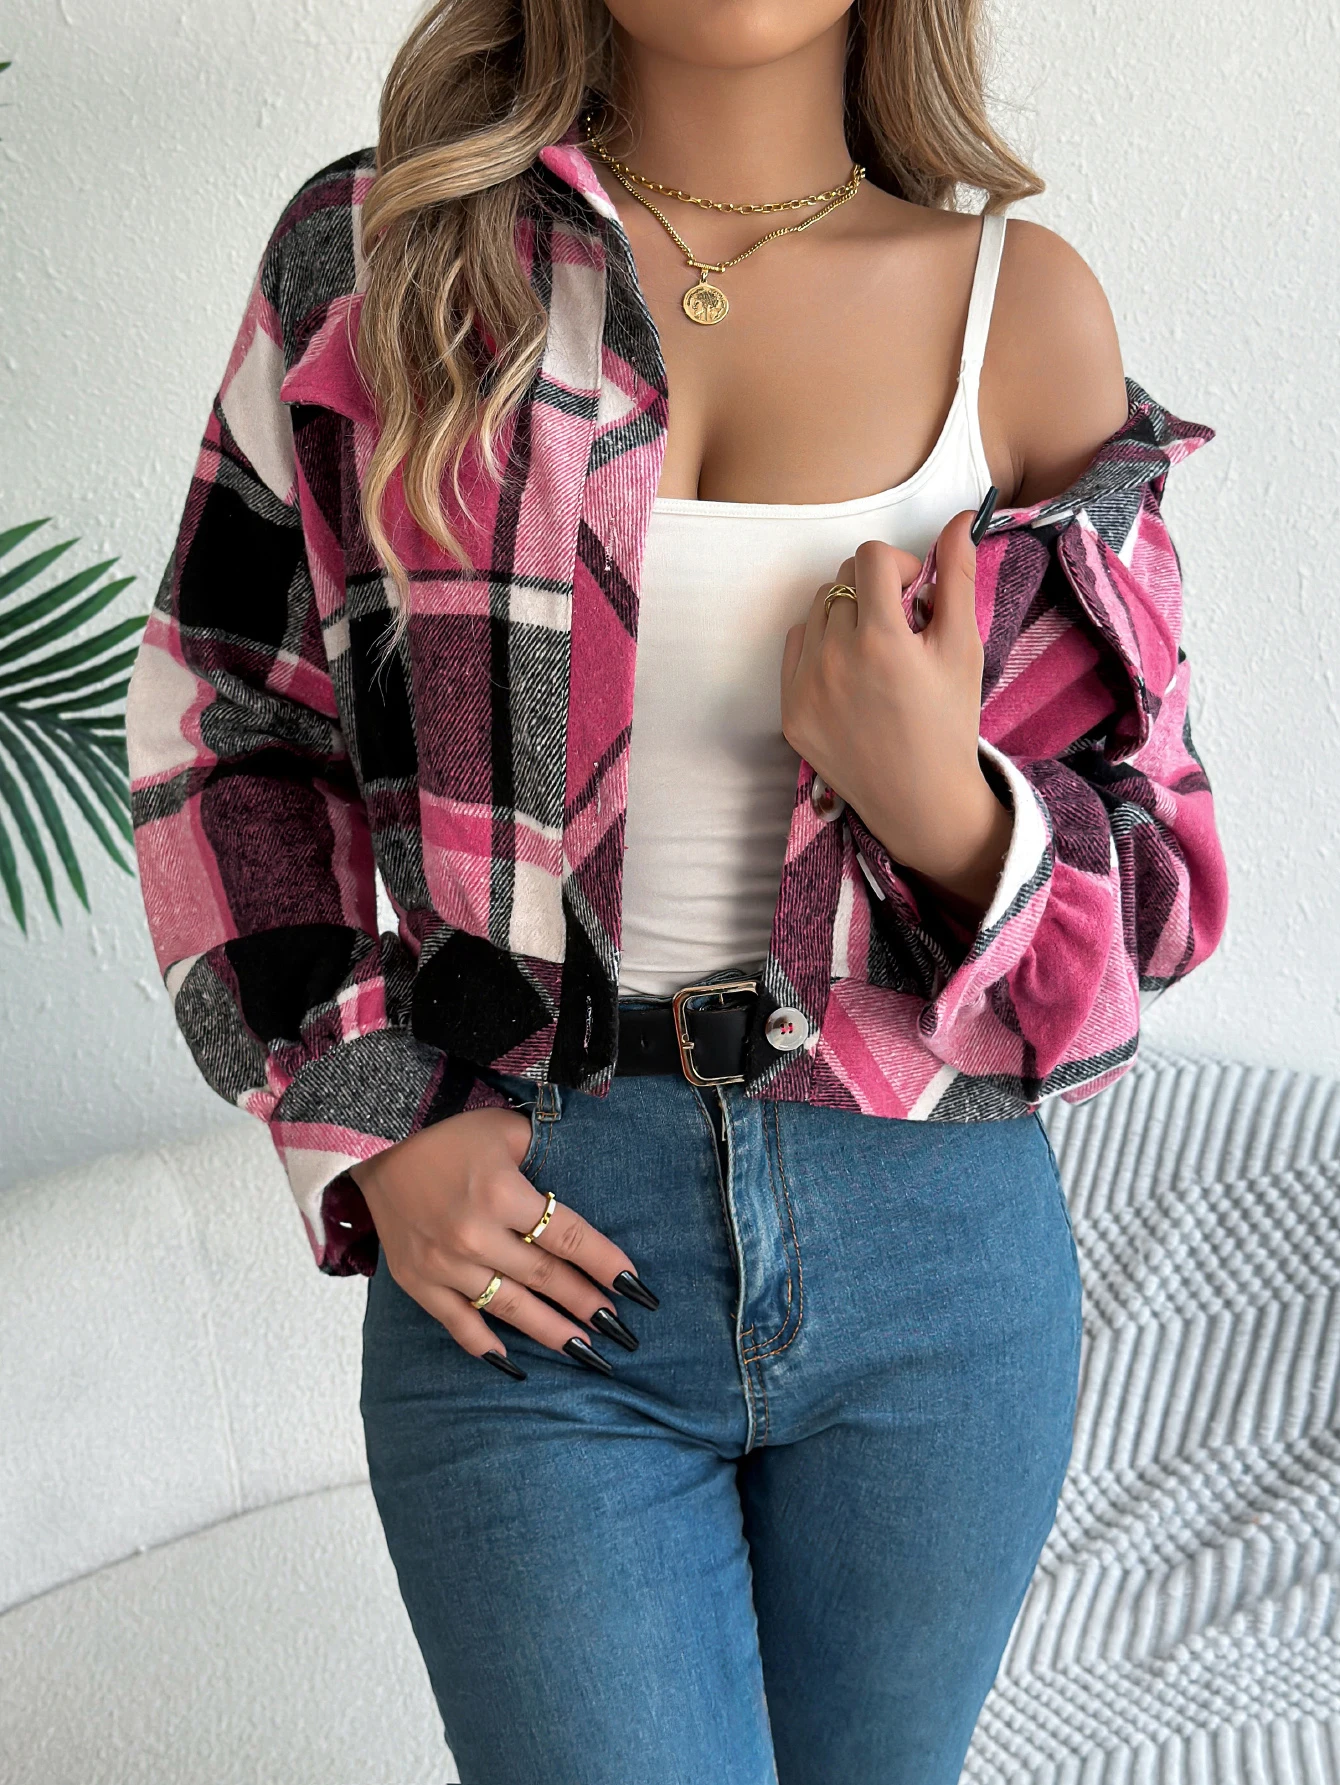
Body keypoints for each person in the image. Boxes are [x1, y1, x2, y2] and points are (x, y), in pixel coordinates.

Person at [125, 2, 1229, 1779]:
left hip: (936, 1260)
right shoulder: (384, 263)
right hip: (536, 1241)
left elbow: (1154, 888)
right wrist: (372, 1113)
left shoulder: (1019, 314)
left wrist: (947, 812)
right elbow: (225, 716)